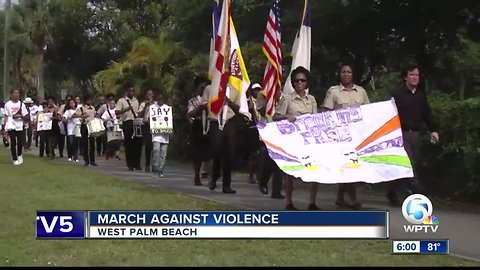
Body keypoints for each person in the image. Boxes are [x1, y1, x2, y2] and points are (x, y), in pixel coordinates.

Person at [386, 63, 439, 205]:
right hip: (401, 134)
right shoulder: (397, 94)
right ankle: (418, 193)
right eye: (411, 74)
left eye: (417, 75)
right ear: (405, 77)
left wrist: (433, 130)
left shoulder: (421, 96)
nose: (415, 77)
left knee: (409, 163)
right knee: (408, 164)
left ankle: (393, 192)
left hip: (416, 134)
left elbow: (427, 115)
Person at [322, 63, 371, 210]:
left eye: (349, 72)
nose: (346, 74)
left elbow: (368, 111)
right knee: (348, 165)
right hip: (341, 136)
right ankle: (353, 199)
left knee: (351, 166)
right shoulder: (334, 92)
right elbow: (326, 112)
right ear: (340, 74)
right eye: (343, 72)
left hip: (357, 135)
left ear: (353, 74)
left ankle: (339, 197)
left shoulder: (361, 92)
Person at [276, 66, 319, 210]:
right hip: (293, 139)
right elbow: (275, 117)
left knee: (314, 169)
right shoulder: (287, 99)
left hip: (309, 139)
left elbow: (316, 118)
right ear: (293, 83)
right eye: (297, 80)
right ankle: (289, 202)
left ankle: (312, 202)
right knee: (290, 172)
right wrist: (286, 116)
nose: (300, 83)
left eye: (303, 80)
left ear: (307, 82)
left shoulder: (311, 99)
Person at [201, 82, 241, 194]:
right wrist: (215, 100)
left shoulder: (234, 90)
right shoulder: (210, 88)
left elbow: (238, 109)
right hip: (215, 121)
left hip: (229, 123)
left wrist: (227, 100)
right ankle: (214, 176)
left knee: (229, 154)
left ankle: (226, 185)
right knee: (216, 151)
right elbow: (203, 105)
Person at [255, 86, 286, 199]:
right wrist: (271, 99)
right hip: (267, 129)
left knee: (279, 161)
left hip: (280, 131)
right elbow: (262, 111)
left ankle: (276, 191)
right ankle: (263, 182)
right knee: (268, 160)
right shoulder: (262, 94)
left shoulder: (285, 96)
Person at [187, 76, 212, 186]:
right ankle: (197, 175)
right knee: (197, 153)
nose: (204, 90)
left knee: (210, 152)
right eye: (202, 88)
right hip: (197, 126)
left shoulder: (212, 100)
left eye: (206, 87)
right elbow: (190, 114)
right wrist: (202, 106)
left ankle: (211, 176)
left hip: (209, 125)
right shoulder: (193, 101)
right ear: (197, 88)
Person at [116, 82, 143, 171]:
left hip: (136, 122)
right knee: (129, 144)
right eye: (130, 91)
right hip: (127, 123)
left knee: (137, 143)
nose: (132, 92)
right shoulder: (122, 100)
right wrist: (126, 109)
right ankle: (130, 164)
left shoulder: (136, 100)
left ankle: (137, 163)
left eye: (133, 91)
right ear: (126, 91)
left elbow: (138, 112)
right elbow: (117, 112)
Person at [3, 89, 29, 165]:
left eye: (17, 93)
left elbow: (25, 115)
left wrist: (20, 116)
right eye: (15, 93)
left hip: (19, 124)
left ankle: (19, 155)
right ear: (11, 95)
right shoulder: (7, 104)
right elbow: (6, 116)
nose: (16, 95)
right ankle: (14, 159)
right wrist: (5, 127)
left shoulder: (22, 104)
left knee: (20, 142)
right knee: (13, 142)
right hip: (11, 124)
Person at [151, 94, 171, 178]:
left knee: (163, 154)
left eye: (162, 99)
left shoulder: (166, 108)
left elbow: (169, 119)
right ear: (156, 99)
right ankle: (155, 169)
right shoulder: (153, 108)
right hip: (156, 136)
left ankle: (161, 170)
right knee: (156, 151)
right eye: (159, 99)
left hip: (165, 136)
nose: (160, 101)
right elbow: (150, 119)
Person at [74, 95, 97, 166]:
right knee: (85, 144)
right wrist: (82, 116)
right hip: (85, 125)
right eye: (88, 100)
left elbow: (95, 115)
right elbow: (74, 115)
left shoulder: (93, 108)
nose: (89, 101)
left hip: (92, 126)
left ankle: (92, 160)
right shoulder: (81, 108)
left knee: (92, 144)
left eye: (90, 100)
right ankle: (86, 160)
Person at [245, 83, 262, 184]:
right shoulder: (249, 101)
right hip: (253, 128)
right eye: (255, 90)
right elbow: (250, 108)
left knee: (261, 153)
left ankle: (259, 174)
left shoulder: (262, 101)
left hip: (262, 128)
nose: (257, 91)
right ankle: (251, 175)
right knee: (253, 154)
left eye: (259, 89)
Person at [138, 89, 155, 172]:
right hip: (146, 125)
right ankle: (147, 164)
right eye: (148, 94)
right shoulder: (142, 104)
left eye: (151, 94)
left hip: (155, 126)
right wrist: (145, 106)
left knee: (155, 145)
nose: (150, 96)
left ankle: (155, 164)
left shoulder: (156, 105)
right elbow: (139, 115)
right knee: (148, 145)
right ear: (146, 95)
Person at [62, 98, 80, 162]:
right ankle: (70, 155)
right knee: (70, 142)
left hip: (77, 127)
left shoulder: (78, 110)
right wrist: (69, 118)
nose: (72, 104)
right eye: (70, 103)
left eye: (73, 103)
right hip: (70, 128)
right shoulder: (68, 111)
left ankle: (76, 157)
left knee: (76, 142)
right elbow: (63, 119)